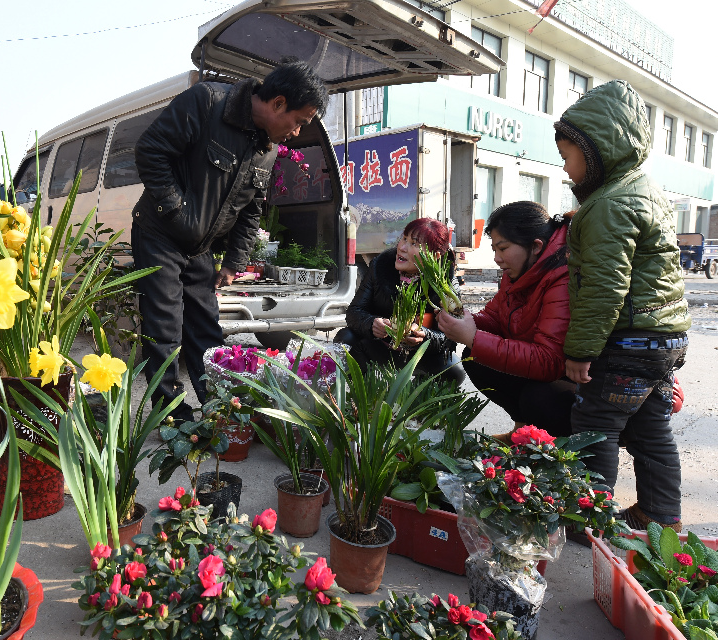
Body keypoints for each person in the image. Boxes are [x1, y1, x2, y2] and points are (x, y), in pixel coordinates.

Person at [131, 61, 329, 422]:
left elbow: (252, 208)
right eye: (299, 120)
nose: (297, 131)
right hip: (160, 234)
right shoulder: (206, 103)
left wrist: (235, 262)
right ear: (279, 103)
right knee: (164, 330)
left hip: (200, 247)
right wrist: (179, 213)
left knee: (206, 328)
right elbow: (150, 151)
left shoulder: (266, 147)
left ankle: (220, 407)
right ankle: (171, 415)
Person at [554, 79, 690, 532]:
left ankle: (586, 520)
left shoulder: (609, 206)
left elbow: (605, 287)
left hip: (627, 341)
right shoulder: (644, 191)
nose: (566, 169)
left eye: (568, 157)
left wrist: (580, 351)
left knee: (596, 423)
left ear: (596, 152)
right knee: (652, 431)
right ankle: (659, 514)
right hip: (664, 338)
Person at [437, 201, 574, 438]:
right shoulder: (519, 271)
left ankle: (553, 442)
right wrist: (465, 321)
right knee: (474, 357)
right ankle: (522, 431)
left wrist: (472, 336)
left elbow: (550, 360)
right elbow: (495, 317)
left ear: (536, 246)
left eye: (503, 248)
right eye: (494, 249)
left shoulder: (562, 275)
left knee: (539, 398)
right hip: (541, 370)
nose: (497, 258)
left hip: (572, 381)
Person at [336, 218, 464, 383]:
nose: (402, 248)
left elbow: (451, 337)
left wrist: (425, 336)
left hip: (420, 354)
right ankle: (364, 396)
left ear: (435, 255)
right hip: (382, 346)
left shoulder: (445, 283)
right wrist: (372, 323)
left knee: (454, 370)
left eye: (414, 244)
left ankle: (418, 401)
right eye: (404, 239)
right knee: (345, 338)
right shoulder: (380, 267)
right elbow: (354, 312)